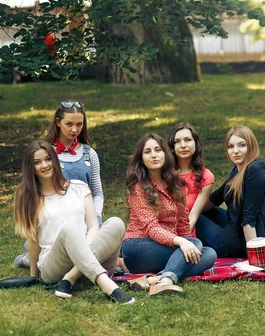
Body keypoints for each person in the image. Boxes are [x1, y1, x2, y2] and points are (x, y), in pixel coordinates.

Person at [14, 140, 134, 303]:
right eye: (37, 162)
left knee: (116, 223)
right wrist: (34, 275)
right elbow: (33, 240)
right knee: (69, 230)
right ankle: (107, 285)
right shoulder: (29, 198)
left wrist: (84, 251)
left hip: (89, 255)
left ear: (55, 160)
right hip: (55, 265)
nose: (44, 165)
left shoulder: (79, 187)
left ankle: (71, 278)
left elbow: (93, 227)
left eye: (48, 159)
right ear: (31, 168)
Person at [121, 133, 217, 296]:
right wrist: (183, 242)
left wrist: (188, 242)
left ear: (165, 153)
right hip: (137, 247)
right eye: (148, 151)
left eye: (158, 150)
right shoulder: (138, 187)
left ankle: (152, 280)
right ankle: (166, 281)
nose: (153, 155)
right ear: (141, 158)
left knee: (209, 254)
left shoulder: (176, 184)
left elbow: (182, 224)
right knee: (193, 246)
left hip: (166, 247)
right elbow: (151, 228)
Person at [14, 101, 104, 269]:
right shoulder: (47, 155)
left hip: (85, 214)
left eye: (79, 124)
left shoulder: (89, 154)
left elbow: (97, 192)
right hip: (56, 218)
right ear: (58, 122)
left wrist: (96, 216)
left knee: (106, 233)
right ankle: (33, 255)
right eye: (69, 124)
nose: (74, 130)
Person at [196, 126, 265, 257]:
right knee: (197, 211)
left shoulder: (255, 169)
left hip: (241, 242)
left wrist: (254, 255)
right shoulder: (239, 168)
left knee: (194, 219)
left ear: (251, 146)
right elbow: (216, 198)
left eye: (241, 145)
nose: (235, 151)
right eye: (231, 146)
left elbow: (249, 218)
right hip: (234, 227)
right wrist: (187, 210)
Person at [167, 123, 218, 238]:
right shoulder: (164, 174)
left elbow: (193, 216)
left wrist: (179, 240)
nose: (183, 145)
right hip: (160, 232)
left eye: (188, 140)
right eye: (177, 141)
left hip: (185, 234)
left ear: (196, 143)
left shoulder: (206, 176)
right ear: (172, 147)